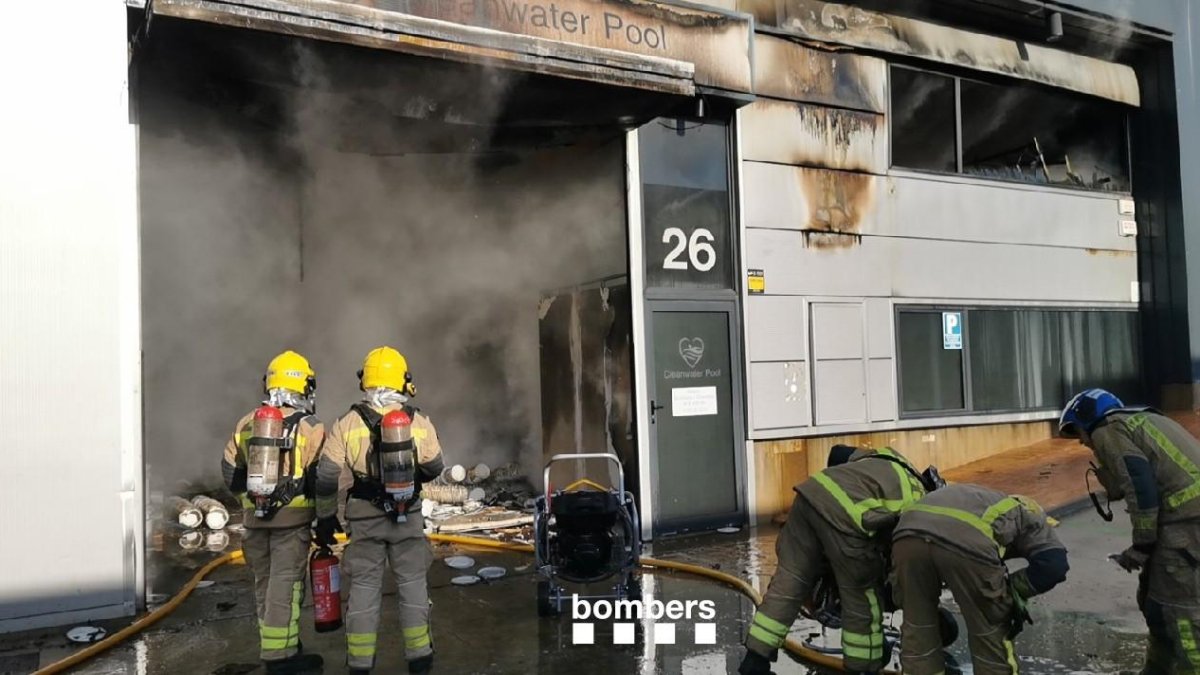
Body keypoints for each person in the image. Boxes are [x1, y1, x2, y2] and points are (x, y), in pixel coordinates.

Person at [740, 445, 934, 675]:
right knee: (861, 592)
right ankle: (863, 666)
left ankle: (755, 661)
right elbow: (901, 556)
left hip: (810, 494)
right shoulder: (922, 503)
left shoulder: (890, 457)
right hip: (849, 516)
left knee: (789, 582)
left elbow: (837, 452)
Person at [313, 347, 445, 675]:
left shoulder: (347, 423)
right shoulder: (419, 422)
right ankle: (420, 657)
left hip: (364, 518)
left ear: (366, 380)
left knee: (364, 589)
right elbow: (435, 467)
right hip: (407, 516)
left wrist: (327, 516)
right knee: (413, 584)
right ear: (403, 380)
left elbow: (327, 475)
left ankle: (359, 663)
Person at [1060, 388, 1200, 674]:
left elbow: (1140, 486)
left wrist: (1141, 546)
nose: (1086, 445)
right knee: (1153, 599)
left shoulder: (1107, 429)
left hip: (1184, 526)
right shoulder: (1143, 420)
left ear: (1086, 421)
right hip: (1185, 522)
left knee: (1176, 611)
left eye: (1081, 436)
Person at [221, 350, 325, 674]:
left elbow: (229, 472)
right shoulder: (310, 427)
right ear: (304, 386)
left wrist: (252, 502)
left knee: (264, 586)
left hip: (255, 525)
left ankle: (279, 649)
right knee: (287, 587)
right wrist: (326, 517)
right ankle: (281, 661)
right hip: (291, 527)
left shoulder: (247, 423)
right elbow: (321, 479)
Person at [892, 484, 1068, 674]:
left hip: (906, 536)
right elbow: (1054, 567)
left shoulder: (984, 499)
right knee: (990, 626)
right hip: (965, 542)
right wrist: (1011, 593)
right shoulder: (1032, 517)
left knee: (918, 625)